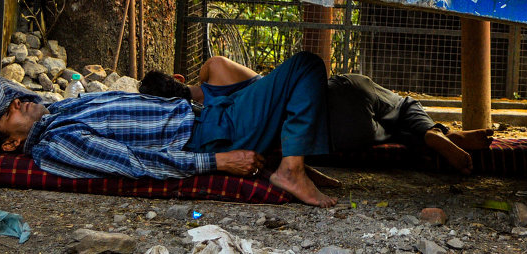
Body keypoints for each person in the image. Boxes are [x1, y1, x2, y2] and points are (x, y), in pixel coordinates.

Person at [0, 51, 336, 207]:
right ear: (12, 144)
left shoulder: (57, 109)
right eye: (8, 114)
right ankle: (291, 170)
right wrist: (218, 161)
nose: (15, 102)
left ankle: (287, 152)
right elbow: (135, 165)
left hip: (210, 111)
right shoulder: (55, 145)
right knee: (306, 66)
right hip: (210, 132)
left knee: (232, 69)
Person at [140, 55, 495, 174]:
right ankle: (436, 133)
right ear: (178, 79)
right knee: (402, 106)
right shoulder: (215, 69)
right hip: (336, 98)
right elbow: (266, 83)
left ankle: (437, 137)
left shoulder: (200, 135)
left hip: (332, 141)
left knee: (393, 130)